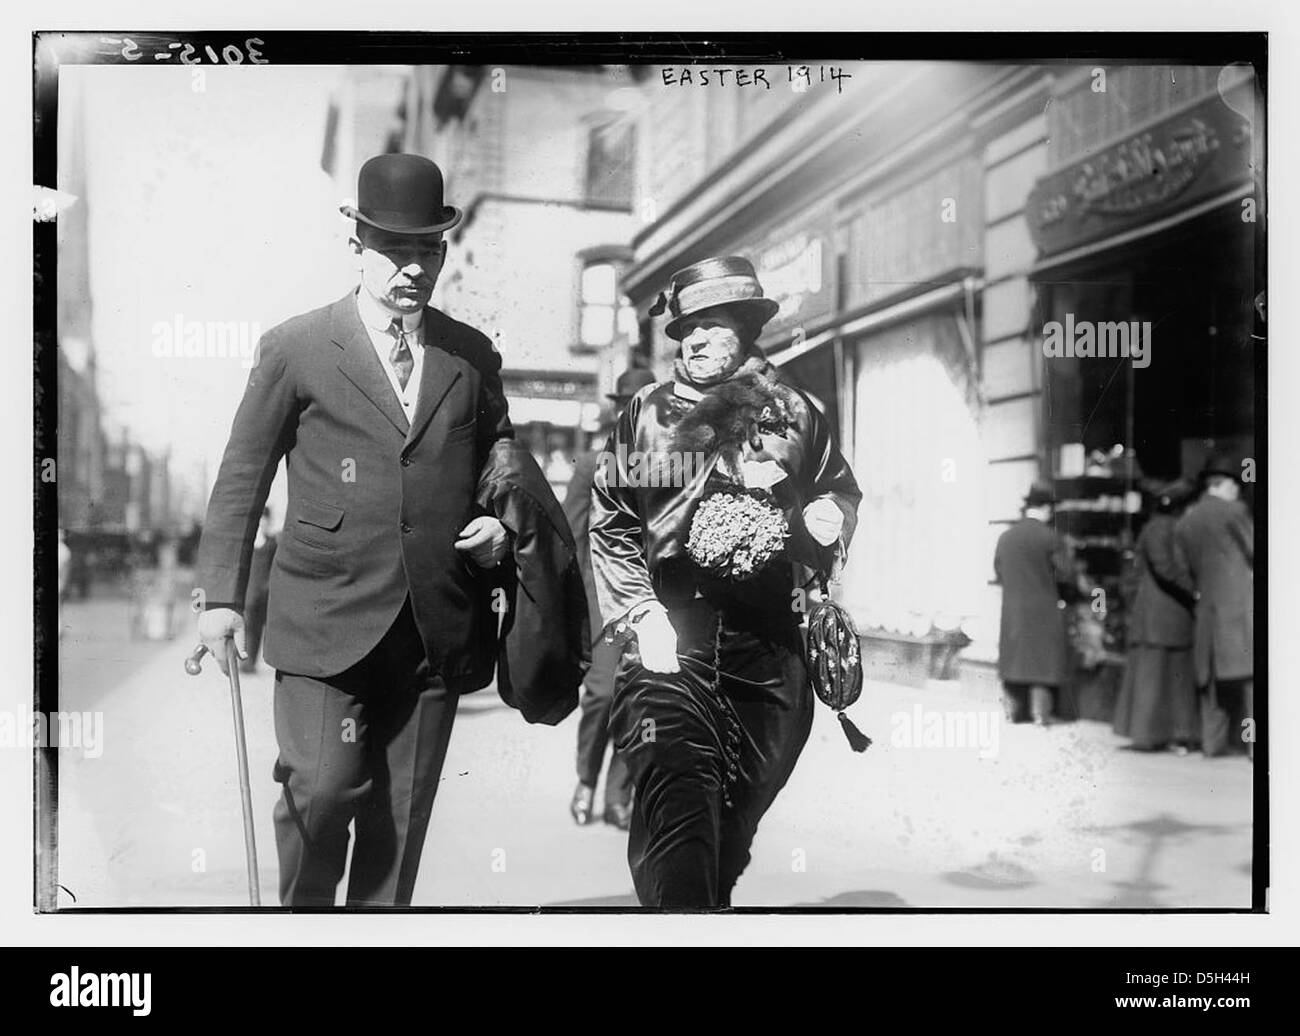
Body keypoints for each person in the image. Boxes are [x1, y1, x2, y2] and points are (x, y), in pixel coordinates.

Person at [195, 154, 514, 907]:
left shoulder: (471, 354)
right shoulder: (296, 347)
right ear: (357, 248)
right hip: (324, 616)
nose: (412, 269)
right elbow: (243, 475)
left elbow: (504, 457)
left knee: (400, 817)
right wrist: (220, 597)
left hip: (434, 620)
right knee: (324, 787)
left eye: (426, 250)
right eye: (393, 251)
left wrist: (500, 524)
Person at [590, 256, 860, 908]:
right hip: (670, 638)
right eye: (686, 328)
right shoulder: (647, 416)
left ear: (745, 327)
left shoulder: (795, 413)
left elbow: (839, 491)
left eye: (713, 325)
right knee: (679, 809)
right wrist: (640, 613)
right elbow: (612, 522)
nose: (695, 340)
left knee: (731, 827)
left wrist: (831, 518)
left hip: (770, 648)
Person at [566, 367, 657, 830]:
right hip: (602, 604)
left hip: (650, 609)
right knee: (601, 695)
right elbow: (571, 538)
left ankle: (617, 795)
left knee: (637, 700)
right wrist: (583, 604)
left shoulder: (668, 467)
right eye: (629, 405)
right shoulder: (591, 465)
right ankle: (585, 779)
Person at [1174, 454, 1254, 759]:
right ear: (1225, 484)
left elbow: (1182, 571)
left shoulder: (1185, 521)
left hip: (1207, 611)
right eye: (1237, 484)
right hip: (1240, 611)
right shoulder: (1235, 512)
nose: (1239, 490)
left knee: (1212, 687)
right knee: (1251, 683)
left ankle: (1212, 744)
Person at [1112, 479, 1199, 753]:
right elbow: (1166, 568)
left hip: (1160, 618)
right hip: (1164, 616)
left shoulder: (1160, 527)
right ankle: (1160, 735)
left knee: (1160, 677)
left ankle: (1157, 734)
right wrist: (1196, 591)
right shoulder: (1162, 529)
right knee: (1165, 678)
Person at [994, 482, 1075, 726]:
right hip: (1044, 610)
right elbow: (1066, 573)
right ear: (1044, 508)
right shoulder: (1050, 537)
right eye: (1051, 508)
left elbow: (999, 572)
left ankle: (1013, 713)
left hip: (1013, 611)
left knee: (1014, 660)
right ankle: (1041, 714)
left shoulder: (1006, 537)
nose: (1052, 513)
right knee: (1042, 662)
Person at [239, 507, 278, 674]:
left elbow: (274, 568)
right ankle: (244, 661)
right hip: (248, 590)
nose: (262, 523)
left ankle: (251, 662)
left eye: (265, 520)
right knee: (245, 626)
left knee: (256, 628)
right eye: (260, 519)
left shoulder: (272, 543)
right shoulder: (248, 542)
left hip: (263, 592)